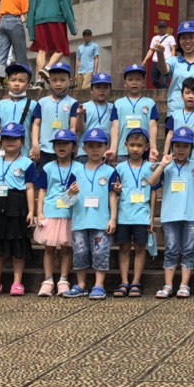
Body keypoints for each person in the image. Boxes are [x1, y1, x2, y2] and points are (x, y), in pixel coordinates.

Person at [0, 122, 37, 296]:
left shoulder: (27, 163)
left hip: (18, 204)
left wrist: (31, 211)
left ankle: (17, 282)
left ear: (22, 141)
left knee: (18, 244)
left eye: (14, 138)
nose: (10, 142)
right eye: (6, 139)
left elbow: (29, 188)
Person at [63, 128, 119, 299]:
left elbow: (113, 195)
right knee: (80, 252)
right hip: (80, 220)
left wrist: (113, 218)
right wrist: (70, 193)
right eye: (91, 146)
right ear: (84, 148)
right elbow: (66, 201)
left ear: (106, 148)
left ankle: (99, 285)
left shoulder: (110, 172)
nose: (95, 150)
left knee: (100, 252)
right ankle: (81, 284)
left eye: (99, 146)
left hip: (101, 220)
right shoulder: (76, 171)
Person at [152, 126, 194, 299]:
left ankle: (184, 285)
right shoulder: (167, 167)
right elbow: (152, 182)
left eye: (185, 146)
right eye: (178, 145)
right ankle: (168, 285)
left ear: (191, 148)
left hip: (190, 215)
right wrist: (162, 164)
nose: (181, 149)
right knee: (171, 249)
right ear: (172, 146)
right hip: (170, 215)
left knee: (188, 250)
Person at [35, 129, 79, 298]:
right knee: (49, 248)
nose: (61, 147)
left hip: (69, 212)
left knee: (67, 248)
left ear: (73, 147)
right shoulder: (48, 167)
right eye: (58, 144)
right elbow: (42, 190)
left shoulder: (79, 168)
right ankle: (47, 280)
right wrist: (39, 212)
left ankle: (63, 279)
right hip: (51, 211)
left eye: (65, 144)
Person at [113, 127, 156, 297]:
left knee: (140, 248)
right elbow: (115, 191)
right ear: (126, 145)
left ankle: (136, 281)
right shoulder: (120, 167)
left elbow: (154, 191)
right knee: (124, 248)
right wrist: (117, 190)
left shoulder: (150, 167)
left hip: (142, 215)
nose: (135, 149)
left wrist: (152, 216)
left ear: (146, 147)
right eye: (132, 145)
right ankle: (124, 281)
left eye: (139, 145)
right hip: (124, 215)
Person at [27, 0, 76, 85]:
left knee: (42, 49)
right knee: (60, 48)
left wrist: (31, 24)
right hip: (56, 19)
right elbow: (66, 2)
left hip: (39, 20)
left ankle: (39, 80)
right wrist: (71, 24)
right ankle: (48, 68)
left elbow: (32, 4)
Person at [157, 20, 194, 115]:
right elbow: (163, 70)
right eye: (183, 38)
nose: (187, 41)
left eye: (191, 37)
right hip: (175, 113)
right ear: (179, 40)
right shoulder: (173, 61)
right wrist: (160, 53)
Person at [30, 62, 76, 164]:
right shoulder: (42, 102)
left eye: (62, 80)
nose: (58, 84)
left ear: (69, 81)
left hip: (64, 149)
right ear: (49, 81)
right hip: (43, 149)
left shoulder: (73, 103)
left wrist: (72, 145)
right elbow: (36, 124)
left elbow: (73, 127)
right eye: (54, 80)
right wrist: (35, 144)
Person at [116, 64, 161, 163]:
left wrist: (153, 148)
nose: (134, 82)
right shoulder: (118, 104)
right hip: (123, 150)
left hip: (143, 149)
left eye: (138, 79)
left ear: (143, 83)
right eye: (130, 80)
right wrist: (113, 148)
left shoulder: (150, 103)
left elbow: (152, 126)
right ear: (125, 83)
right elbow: (115, 127)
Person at [165, 77, 194, 164]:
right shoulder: (175, 115)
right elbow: (170, 134)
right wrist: (165, 154)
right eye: (187, 93)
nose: (190, 96)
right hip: (177, 157)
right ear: (182, 95)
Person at [0, 64, 37, 158]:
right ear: (8, 83)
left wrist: (35, 145)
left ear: (28, 85)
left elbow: (34, 127)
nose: (17, 84)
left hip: (24, 149)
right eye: (13, 80)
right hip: (3, 147)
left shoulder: (33, 104)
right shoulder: (1, 104)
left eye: (21, 81)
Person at [73, 73, 119, 162]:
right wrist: (80, 116)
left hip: (105, 152)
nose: (102, 90)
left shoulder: (114, 107)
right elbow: (79, 129)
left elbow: (115, 129)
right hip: (85, 152)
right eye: (98, 87)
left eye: (105, 87)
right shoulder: (84, 107)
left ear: (110, 90)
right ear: (91, 90)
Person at [143, 20, 177, 91]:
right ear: (158, 28)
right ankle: (165, 91)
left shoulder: (170, 37)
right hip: (156, 61)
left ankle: (164, 93)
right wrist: (145, 60)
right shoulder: (155, 38)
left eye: (163, 27)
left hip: (166, 61)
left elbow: (173, 49)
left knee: (164, 81)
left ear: (166, 28)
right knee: (154, 81)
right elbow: (151, 50)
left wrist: (172, 59)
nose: (161, 29)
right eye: (160, 27)